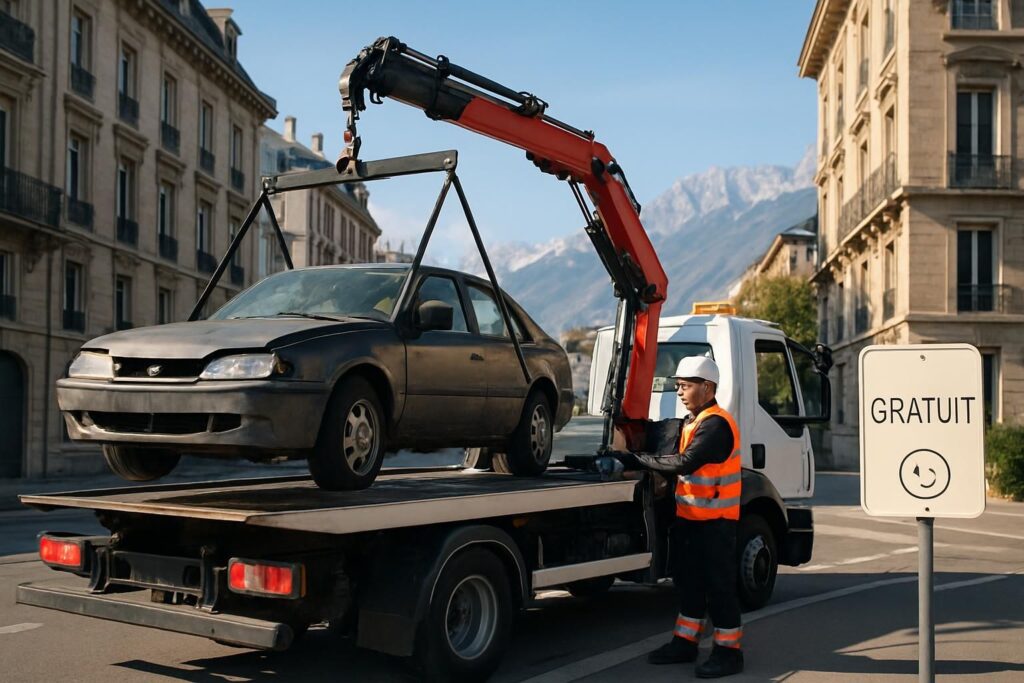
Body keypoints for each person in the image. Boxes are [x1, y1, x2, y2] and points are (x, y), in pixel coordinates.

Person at [636, 355, 744, 678]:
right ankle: (685, 643)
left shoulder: (717, 425)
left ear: (707, 387)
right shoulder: (693, 421)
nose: (680, 391)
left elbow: (684, 463)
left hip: (716, 524)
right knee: (689, 584)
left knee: (719, 588)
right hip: (692, 521)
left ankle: (729, 653)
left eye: (685, 386)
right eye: (678, 386)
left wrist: (637, 460)